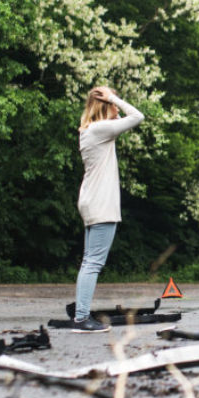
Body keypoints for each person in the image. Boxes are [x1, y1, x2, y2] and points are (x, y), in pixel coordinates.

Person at [72, 85, 145, 332]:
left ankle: (81, 315)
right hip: (101, 202)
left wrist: (111, 100)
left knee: (89, 261)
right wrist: (113, 97)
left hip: (92, 200)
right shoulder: (101, 129)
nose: (117, 105)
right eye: (114, 102)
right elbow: (137, 116)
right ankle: (82, 318)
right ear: (106, 105)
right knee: (93, 262)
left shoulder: (91, 131)